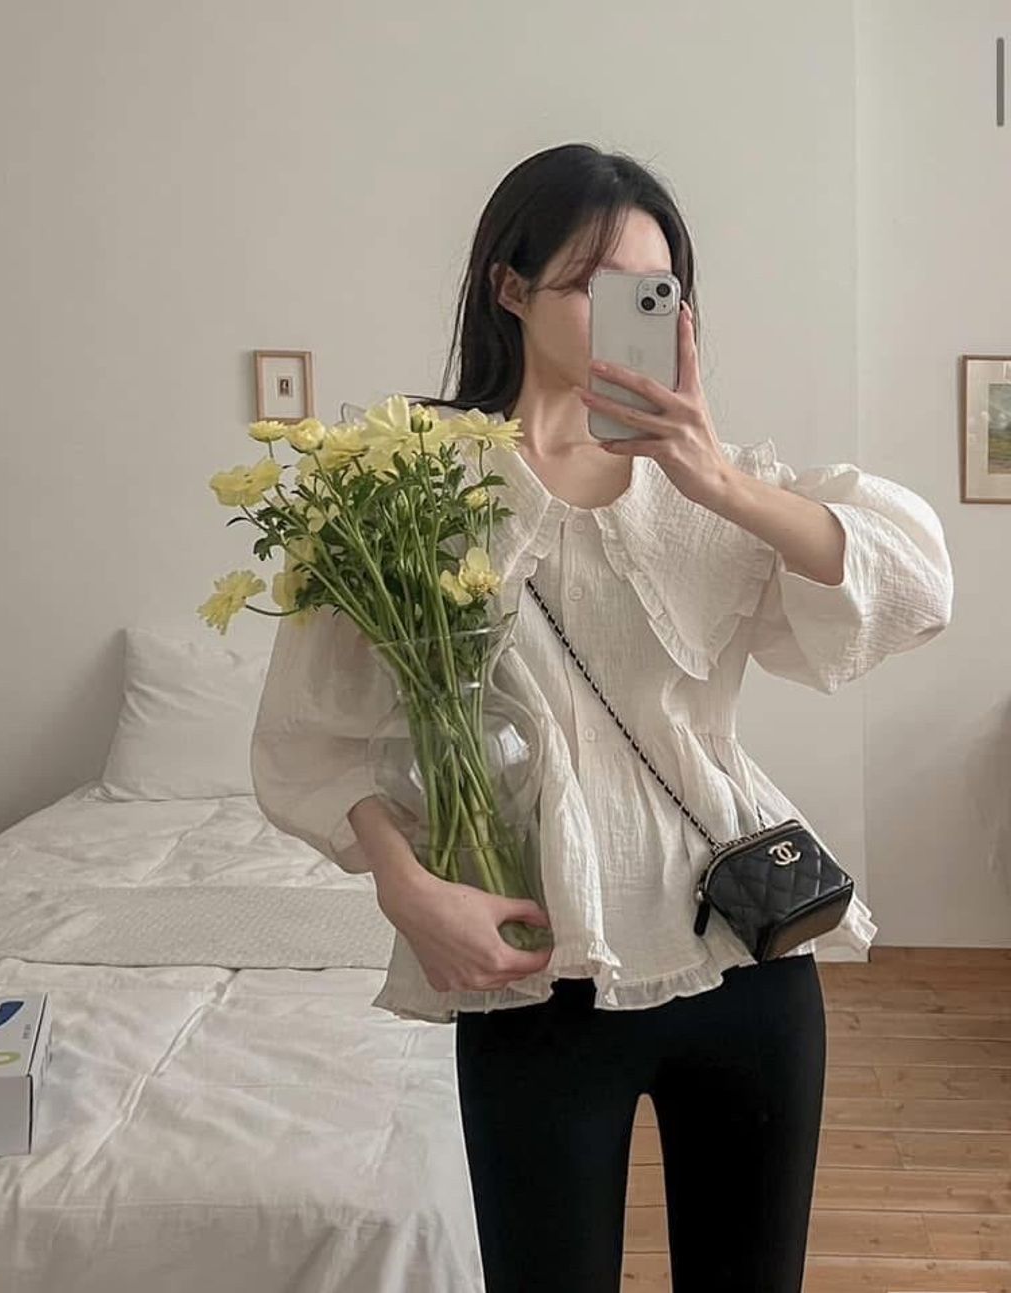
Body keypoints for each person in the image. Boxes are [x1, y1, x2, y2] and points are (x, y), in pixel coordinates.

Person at [250, 142, 954, 1292]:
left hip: (746, 957)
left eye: (651, 288)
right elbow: (314, 735)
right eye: (589, 283)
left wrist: (716, 478)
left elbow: (917, 589)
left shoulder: (716, 487)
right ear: (509, 287)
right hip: (532, 965)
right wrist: (404, 886)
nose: (626, 311)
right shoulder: (406, 488)